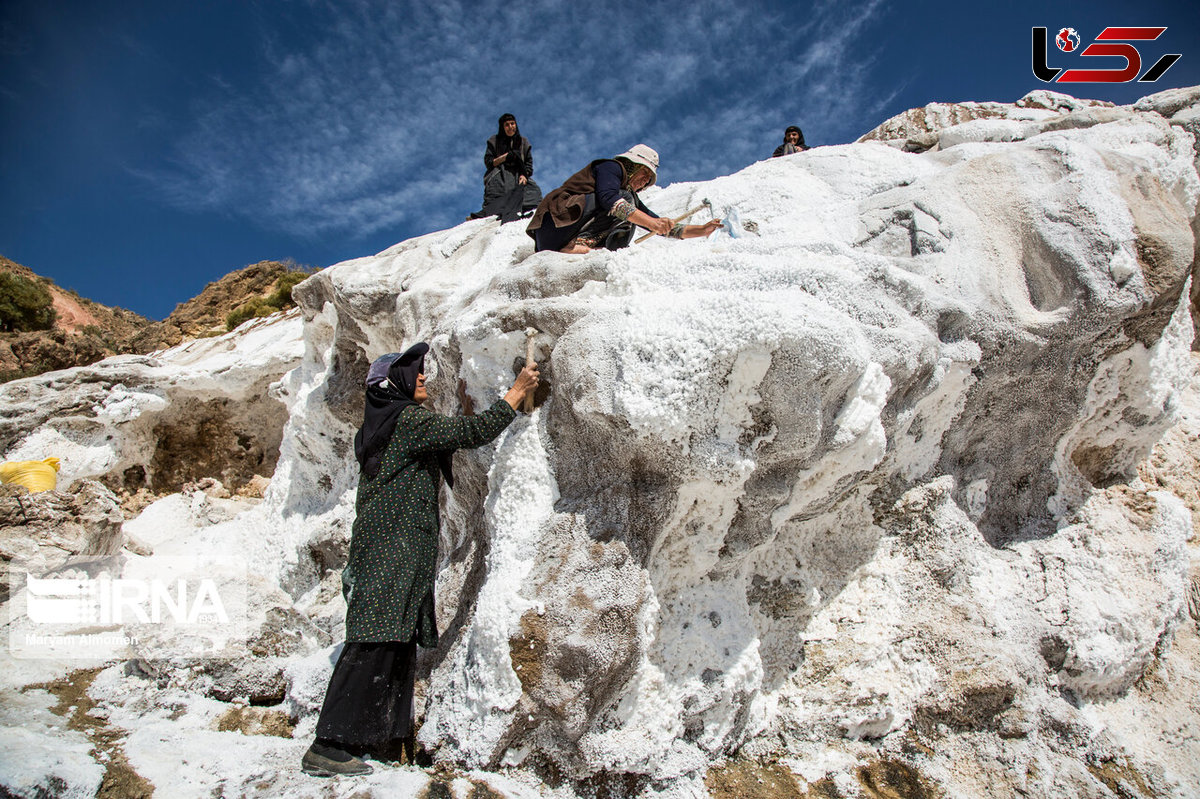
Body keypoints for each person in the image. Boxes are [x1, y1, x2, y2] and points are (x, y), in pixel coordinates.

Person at [301, 343, 539, 777]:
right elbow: (470, 433)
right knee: (373, 642)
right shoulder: (407, 422)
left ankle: (379, 738)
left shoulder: (381, 427)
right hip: (393, 549)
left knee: (392, 640)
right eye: (414, 373)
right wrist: (516, 391)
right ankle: (329, 743)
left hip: (387, 546)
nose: (423, 377)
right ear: (395, 386)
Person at [526, 144, 722, 253]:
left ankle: (585, 246)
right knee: (625, 202)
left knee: (632, 207)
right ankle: (578, 243)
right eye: (644, 174)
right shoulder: (611, 168)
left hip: (553, 238)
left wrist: (703, 230)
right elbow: (609, 199)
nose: (645, 182)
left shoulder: (628, 196)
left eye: (648, 180)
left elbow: (658, 224)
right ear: (632, 166)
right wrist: (652, 223)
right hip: (557, 224)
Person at [469, 113, 543, 223]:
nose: (510, 127)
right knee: (496, 198)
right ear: (502, 128)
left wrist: (524, 175)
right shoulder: (494, 140)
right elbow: (489, 162)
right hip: (499, 175)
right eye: (507, 125)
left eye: (512, 124)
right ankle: (486, 213)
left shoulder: (523, 142)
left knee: (534, 195)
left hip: (519, 175)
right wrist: (505, 157)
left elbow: (528, 164)